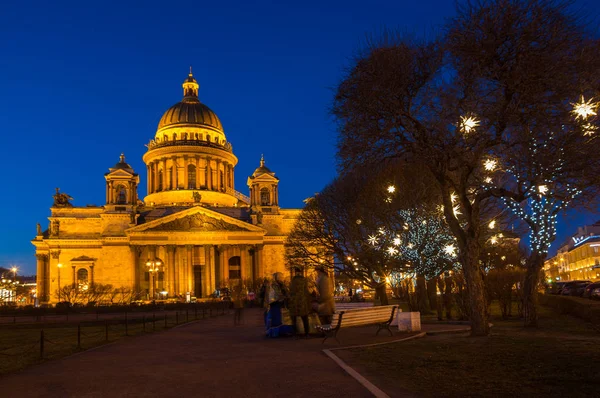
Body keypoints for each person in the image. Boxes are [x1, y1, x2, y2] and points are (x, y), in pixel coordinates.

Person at [289, 267, 311, 337]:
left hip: (294, 301)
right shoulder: (304, 280)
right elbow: (306, 291)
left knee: (294, 318)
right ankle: (307, 333)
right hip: (302, 301)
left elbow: (291, 291)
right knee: (304, 317)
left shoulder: (293, 280)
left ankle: (294, 333)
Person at [265, 272, 287, 336]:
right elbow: (274, 294)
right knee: (275, 318)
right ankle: (274, 332)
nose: (282, 278)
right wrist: (281, 297)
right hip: (274, 303)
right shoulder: (273, 285)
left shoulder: (281, 284)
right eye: (280, 277)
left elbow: (284, 292)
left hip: (280, 303)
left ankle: (280, 331)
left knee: (280, 318)